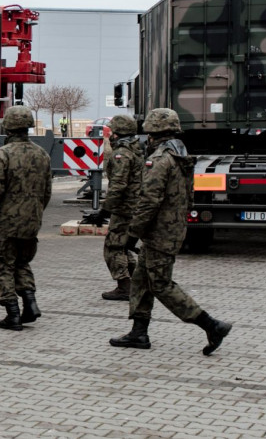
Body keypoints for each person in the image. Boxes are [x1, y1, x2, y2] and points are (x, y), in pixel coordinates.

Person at [109, 108, 232, 355]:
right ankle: (139, 333)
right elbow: (188, 196)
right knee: (141, 280)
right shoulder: (181, 154)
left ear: (153, 132)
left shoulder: (160, 159)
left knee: (161, 284)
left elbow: (149, 201)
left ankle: (211, 325)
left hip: (159, 232)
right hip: (172, 227)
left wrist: (133, 232)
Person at [0, 105, 53, 330]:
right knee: (22, 262)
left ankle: (13, 314)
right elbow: (46, 192)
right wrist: (34, 215)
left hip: (5, 225)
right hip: (31, 224)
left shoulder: (2, 155)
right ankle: (30, 302)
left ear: (7, 127)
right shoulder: (42, 154)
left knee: (2, 266)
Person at [96, 114, 143, 300]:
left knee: (114, 247)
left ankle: (125, 286)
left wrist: (104, 211)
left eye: (112, 131)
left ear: (117, 133)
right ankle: (135, 283)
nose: (110, 135)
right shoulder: (136, 150)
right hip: (135, 207)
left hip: (125, 209)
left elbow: (118, 186)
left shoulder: (121, 154)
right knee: (123, 246)